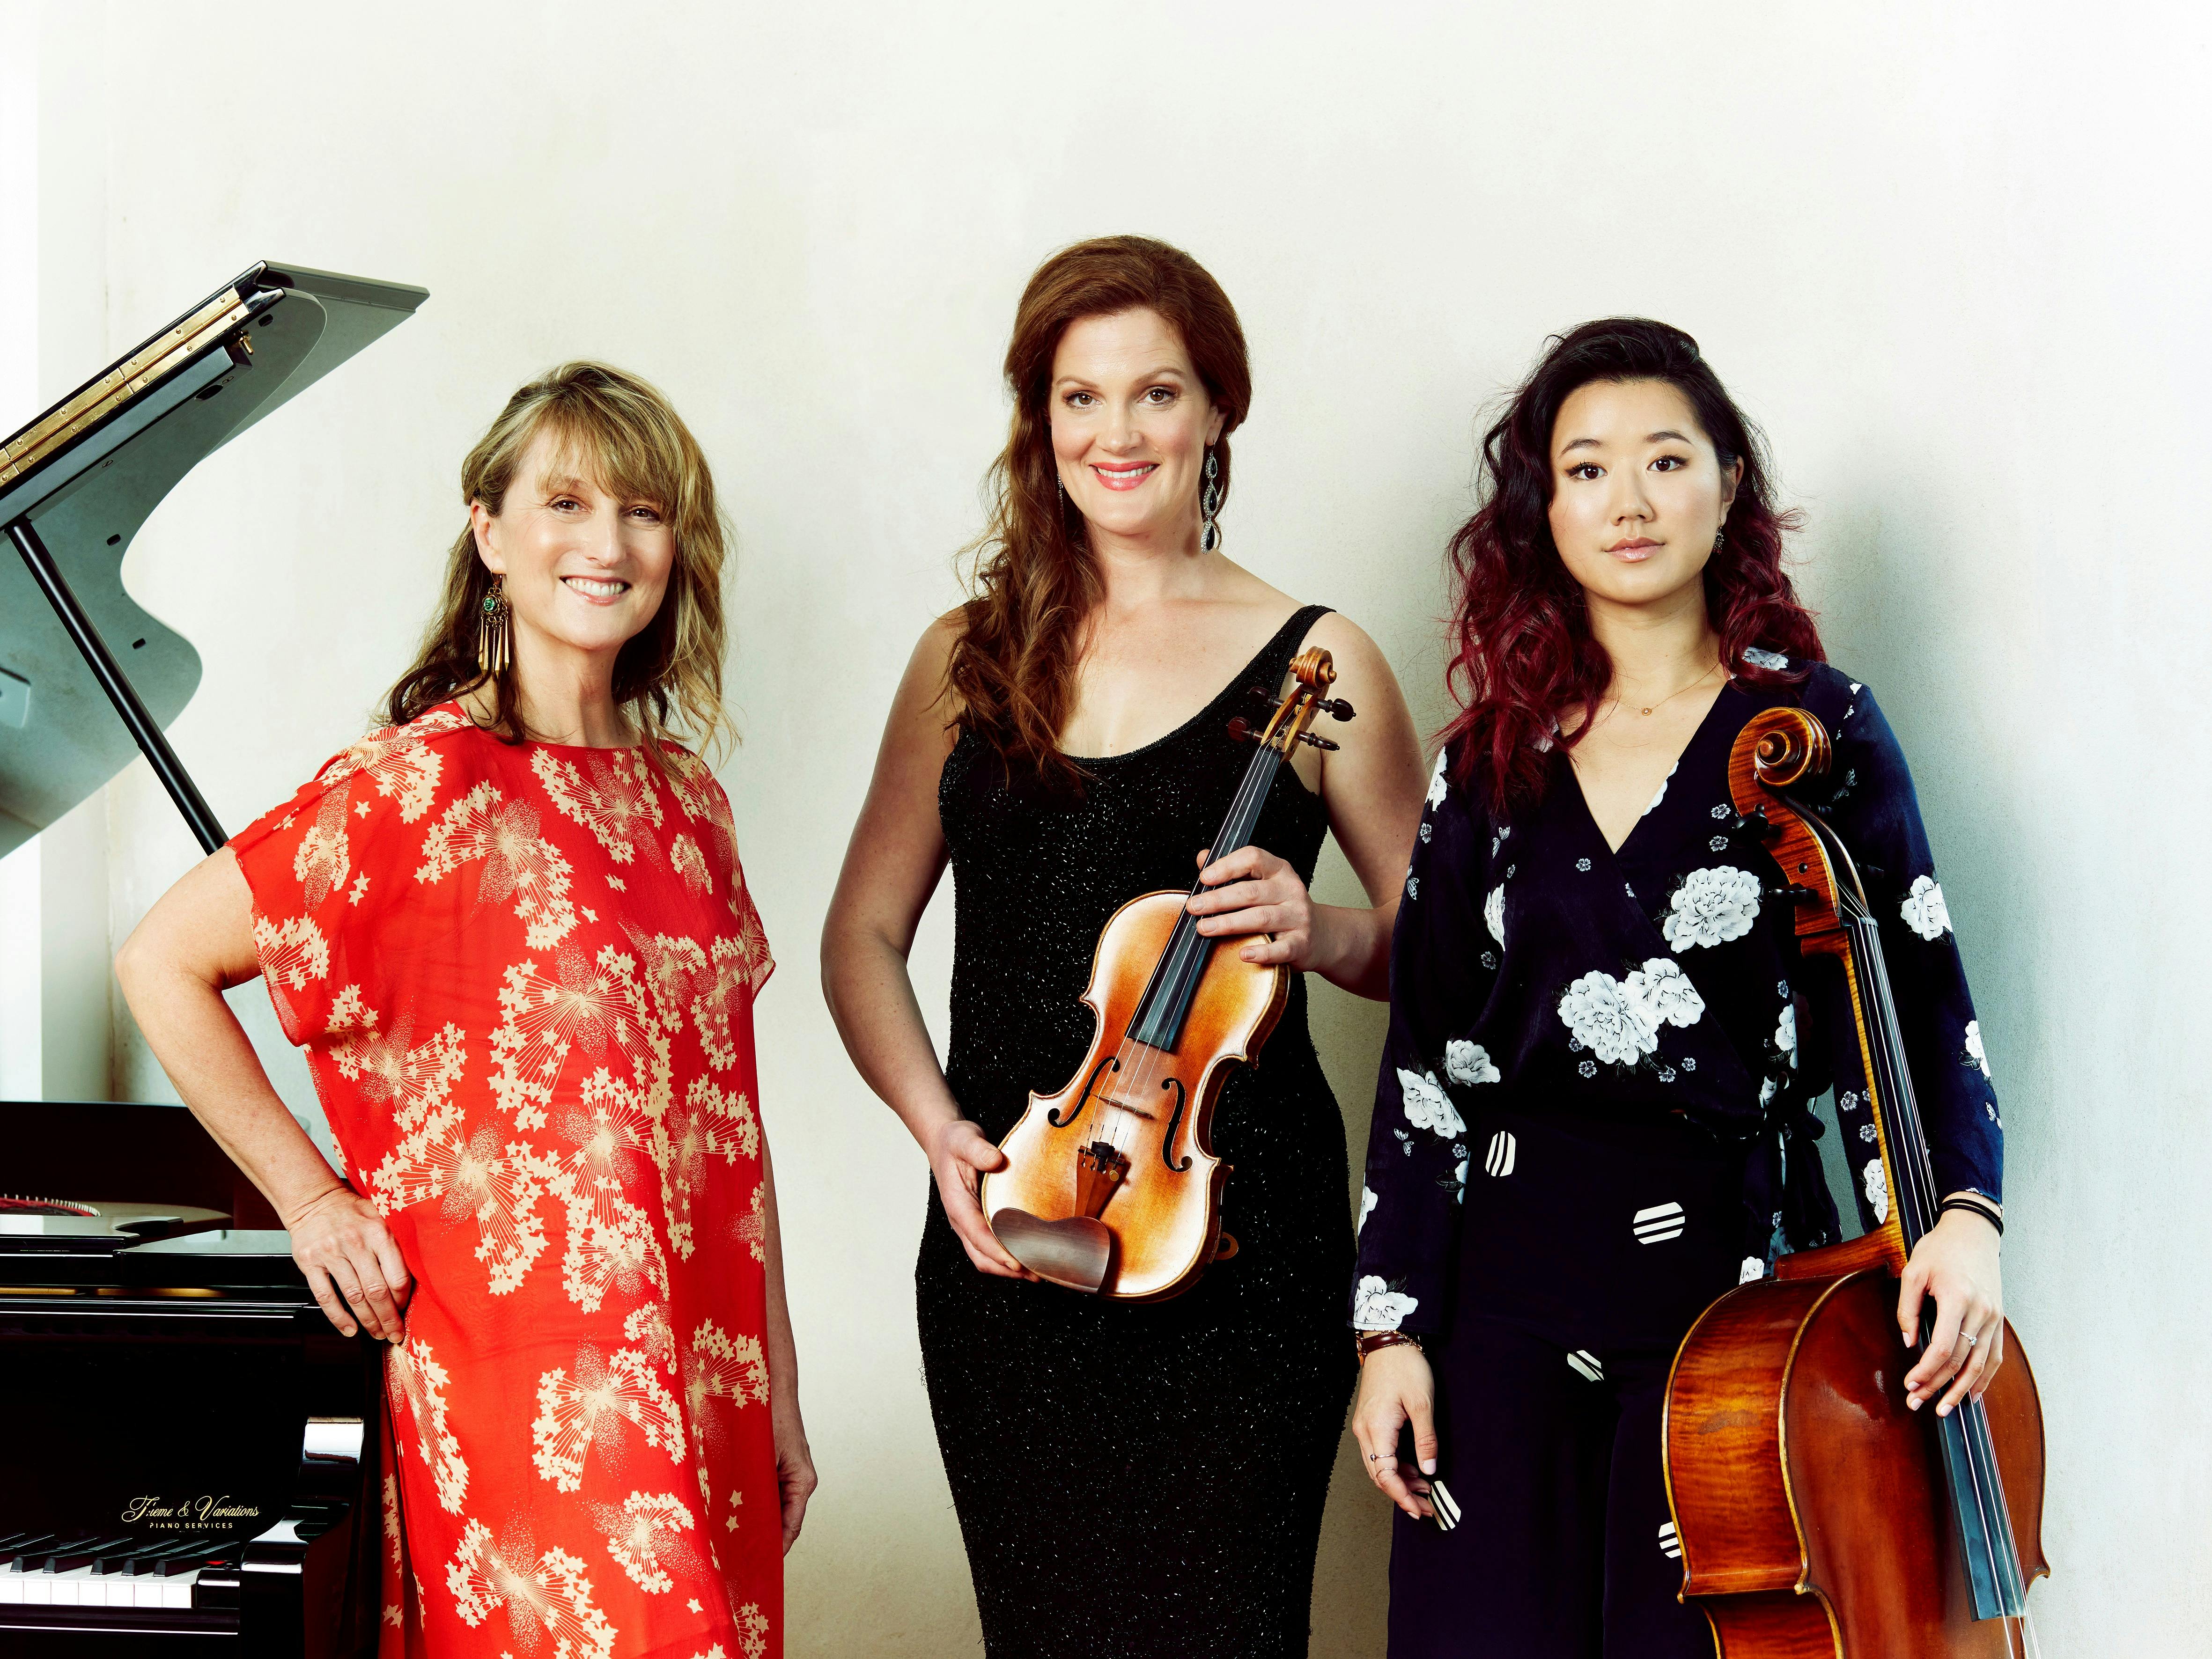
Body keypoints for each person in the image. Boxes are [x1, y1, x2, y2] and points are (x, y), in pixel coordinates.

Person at [117, 362, 811, 1659]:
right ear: (490, 533)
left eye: (646, 512)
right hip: (521, 1377)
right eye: (565, 502)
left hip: (701, 1362)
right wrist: (313, 1201)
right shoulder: (416, 787)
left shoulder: (687, 805)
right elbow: (161, 959)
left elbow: (732, 1129)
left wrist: (777, 1385)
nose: (607, 544)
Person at [1347, 319, 2008, 1659]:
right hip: (1505, 1296)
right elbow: (1426, 1065)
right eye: (1586, 470)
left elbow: (1921, 996)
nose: (1630, 501)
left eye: (1665, 460)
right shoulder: (1487, 759)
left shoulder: (1819, 729)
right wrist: (1391, 1330)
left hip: (1744, 1294)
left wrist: (1965, 1216)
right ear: (1542, 511)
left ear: (1727, 490)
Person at [820, 235, 1427, 1657]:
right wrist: (940, 1136)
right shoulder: (965, 656)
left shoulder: (1319, 660)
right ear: (1040, 419)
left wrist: (1322, 926)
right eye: (1078, 398)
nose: (1117, 433)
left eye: (1155, 394)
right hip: (1006, 1236)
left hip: (1238, 1249)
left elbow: (1435, 951)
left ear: (1217, 409)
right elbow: (859, 936)